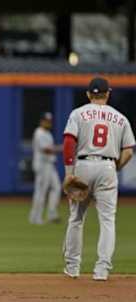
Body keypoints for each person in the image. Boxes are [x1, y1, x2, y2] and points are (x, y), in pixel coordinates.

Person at [62, 77, 135, 281]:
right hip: (107, 166)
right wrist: (114, 167)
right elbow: (128, 151)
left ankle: (73, 267)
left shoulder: (78, 113)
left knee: (76, 218)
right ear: (108, 93)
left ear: (88, 94)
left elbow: (69, 142)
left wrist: (69, 172)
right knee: (107, 220)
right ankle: (102, 270)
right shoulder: (120, 118)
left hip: (83, 165)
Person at [29, 112, 62, 224]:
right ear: (41, 121)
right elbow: (46, 150)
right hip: (42, 165)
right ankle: (35, 217)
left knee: (56, 187)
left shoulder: (48, 133)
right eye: (46, 121)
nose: (48, 123)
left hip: (49, 165)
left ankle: (52, 214)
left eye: (49, 121)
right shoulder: (39, 132)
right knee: (41, 192)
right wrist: (62, 149)